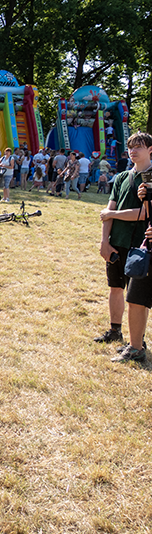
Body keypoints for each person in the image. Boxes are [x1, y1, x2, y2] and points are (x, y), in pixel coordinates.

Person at [97, 132, 152, 363]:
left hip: (140, 245)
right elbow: (106, 213)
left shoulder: (150, 179)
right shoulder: (120, 178)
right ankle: (115, 330)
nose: (133, 151)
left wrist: (113, 213)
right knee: (115, 287)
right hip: (117, 241)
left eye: (139, 146)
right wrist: (104, 241)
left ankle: (137, 340)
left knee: (137, 296)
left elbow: (143, 215)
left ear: (150, 150)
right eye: (131, 147)